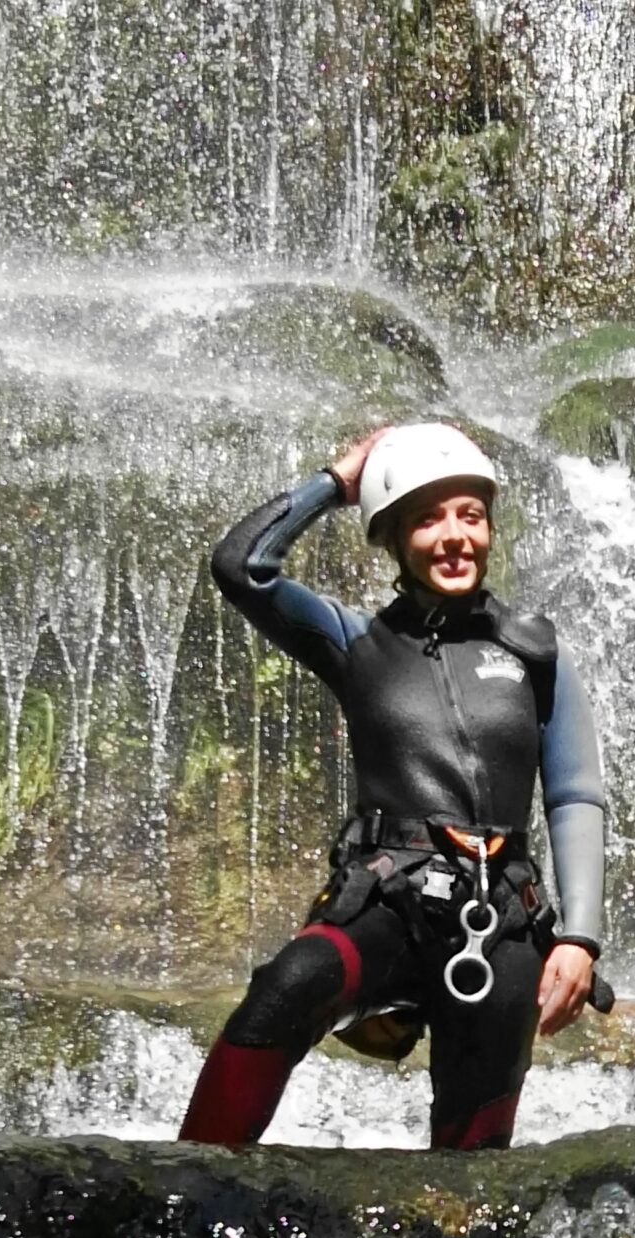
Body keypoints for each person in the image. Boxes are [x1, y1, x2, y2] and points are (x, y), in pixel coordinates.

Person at [177, 421, 608, 1150]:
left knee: (473, 1155)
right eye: (427, 519)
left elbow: (575, 794)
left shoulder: (537, 652)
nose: (453, 536)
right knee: (287, 988)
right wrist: (335, 484)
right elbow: (241, 567)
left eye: (470, 516)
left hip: (499, 919)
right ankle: (182, 1192)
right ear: (394, 538)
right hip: (386, 900)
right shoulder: (357, 642)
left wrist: (581, 938)